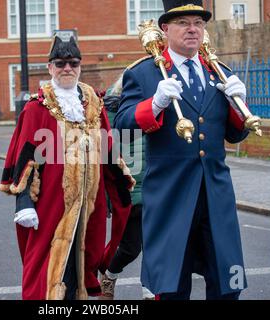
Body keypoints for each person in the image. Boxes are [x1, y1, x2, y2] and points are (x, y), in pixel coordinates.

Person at [114, 0, 259, 300]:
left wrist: (239, 106)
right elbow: (122, 124)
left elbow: (235, 133)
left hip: (215, 198)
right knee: (170, 289)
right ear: (165, 28)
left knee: (227, 285)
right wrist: (154, 104)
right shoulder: (144, 74)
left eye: (198, 22)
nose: (192, 29)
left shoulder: (219, 71)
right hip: (170, 197)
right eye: (183, 23)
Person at [0, 36, 134, 300]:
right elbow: (26, 156)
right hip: (51, 206)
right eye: (60, 63)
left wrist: (120, 186)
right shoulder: (37, 109)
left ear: (80, 66)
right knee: (48, 269)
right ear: (50, 68)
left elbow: (108, 149)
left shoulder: (93, 106)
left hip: (88, 206)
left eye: (73, 63)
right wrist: (24, 202)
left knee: (80, 267)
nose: (67, 68)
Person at [99, 75, 154, 300]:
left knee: (155, 246)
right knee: (130, 249)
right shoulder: (107, 114)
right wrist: (107, 198)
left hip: (153, 192)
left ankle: (150, 289)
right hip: (127, 194)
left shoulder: (150, 108)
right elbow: (104, 159)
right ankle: (109, 276)